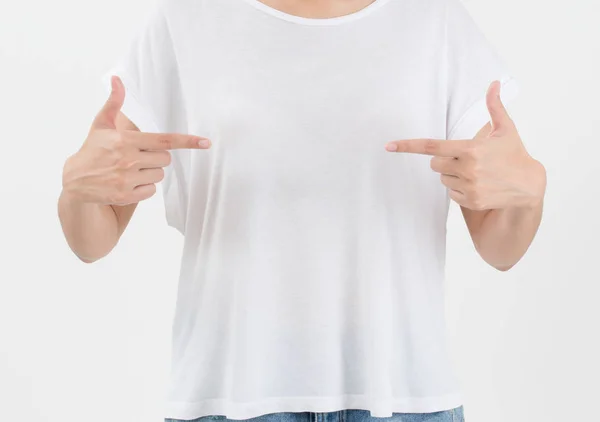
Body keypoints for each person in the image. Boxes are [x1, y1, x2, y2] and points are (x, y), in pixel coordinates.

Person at [57, 0, 546, 421]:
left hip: (402, 394)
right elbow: (91, 241)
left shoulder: (432, 20)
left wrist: (529, 190)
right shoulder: (186, 17)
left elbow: (500, 248)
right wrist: (78, 187)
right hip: (228, 393)